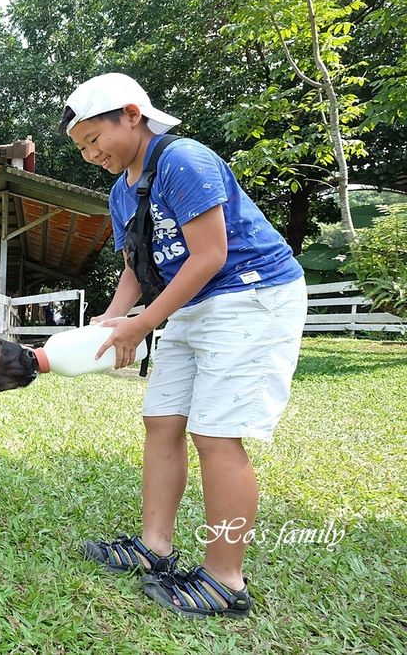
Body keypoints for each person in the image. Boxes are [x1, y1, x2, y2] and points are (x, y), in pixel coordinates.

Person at [59, 73, 307, 618]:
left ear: (130, 113)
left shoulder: (182, 160)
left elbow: (210, 254)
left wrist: (142, 324)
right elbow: (134, 265)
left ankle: (225, 579)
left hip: (250, 294)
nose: (89, 154)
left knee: (215, 433)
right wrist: (112, 318)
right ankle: (155, 548)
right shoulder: (122, 191)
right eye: (81, 148)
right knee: (162, 418)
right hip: (188, 304)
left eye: (93, 140)